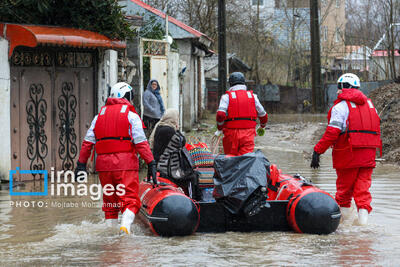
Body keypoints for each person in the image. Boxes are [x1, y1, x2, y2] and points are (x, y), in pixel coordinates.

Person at [75, 82, 157, 235]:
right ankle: (125, 227)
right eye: (131, 97)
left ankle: (110, 233)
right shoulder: (131, 116)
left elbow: (87, 143)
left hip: (104, 167)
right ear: (126, 96)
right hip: (125, 165)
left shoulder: (98, 116)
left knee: (110, 202)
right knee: (131, 201)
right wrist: (151, 162)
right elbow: (141, 143)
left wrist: (81, 165)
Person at [310, 73, 382, 226]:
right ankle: (363, 227)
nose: (337, 91)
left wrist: (317, 151)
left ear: (344, 87)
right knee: (363, 192)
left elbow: (332, 133)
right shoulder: (371, 106)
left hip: (348, 154)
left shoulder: (340, 107)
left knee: (344, 192)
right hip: (369, 155)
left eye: (338, 87)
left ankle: (342, 227)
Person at [149, 109, 201, 199]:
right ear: (173, 119)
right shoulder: (169, 130)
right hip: (167, 169)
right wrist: (177, 128)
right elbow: (182, 141)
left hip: (160, 165)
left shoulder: (159, 127)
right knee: (193, 176)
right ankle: (194, 200)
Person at [215, 72, 268, 156]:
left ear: (230, 83)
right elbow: (263, 115)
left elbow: (220, 115)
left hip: (231, 134)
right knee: (245, 161)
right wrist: (262, 126)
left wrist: (219, 129)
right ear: (244, 83)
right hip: (248, 133)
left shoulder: (226, 97)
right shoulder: (253, 96)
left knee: (230, 159)